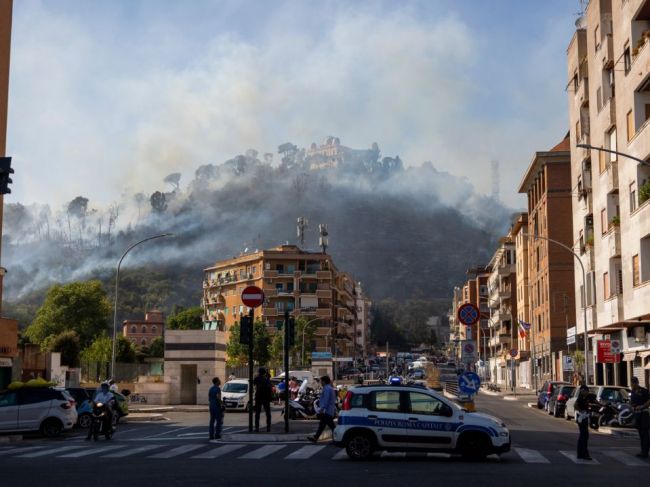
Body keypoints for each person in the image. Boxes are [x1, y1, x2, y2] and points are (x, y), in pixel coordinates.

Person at [308, 375, 336, 443]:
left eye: (321, 381)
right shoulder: (329, 388)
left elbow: (326, 400)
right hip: (329, 410)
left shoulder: (327, 389)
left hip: (327, 411)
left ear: (324, 381)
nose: (320, 383)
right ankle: (316, 437)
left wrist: (321, 409)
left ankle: (336, 439)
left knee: (332, 426)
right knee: (322, 425)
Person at [630, 376, 650, 459]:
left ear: (637, 382)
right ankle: (643, 451)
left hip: (644, 414)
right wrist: (632, 407)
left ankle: (645, 452)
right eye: (632, 383)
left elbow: (649, 401)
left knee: (645, 434)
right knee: (641, 434)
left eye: (634, 382)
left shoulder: (644, 391)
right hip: (637, 414)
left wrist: (642, 406)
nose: (633, 384)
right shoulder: (633, 391)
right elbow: (632, 402)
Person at [574, 384, 592, 460]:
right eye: (586, 391)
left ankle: (580, 453)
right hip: (581, 417)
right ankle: (584, 454)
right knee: (584, 435)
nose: (587, 392)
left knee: (584, 435)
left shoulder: (586, 397)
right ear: (582, 391)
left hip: (584, 417)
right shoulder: (580, 398)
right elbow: (575, 406)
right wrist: (581, 411)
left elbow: (593, 400)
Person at [253, 367, 272, 432]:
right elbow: (270, 388)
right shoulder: (267, 379)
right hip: (266, 397)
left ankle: (257, 427)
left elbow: (254, 382)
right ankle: (268, 427)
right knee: (268, 413)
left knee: (257, 413)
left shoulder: (257, 378)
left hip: (258, 397)